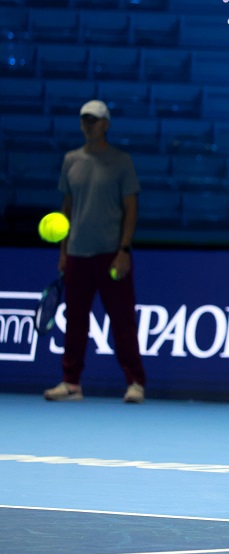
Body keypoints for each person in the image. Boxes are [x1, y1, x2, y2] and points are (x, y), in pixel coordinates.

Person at [43, 99, 146, 404]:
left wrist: (124, 249)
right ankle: (71, 383)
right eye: (85, 120)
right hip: (77, 254)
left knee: (122, 321)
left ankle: (135, 382)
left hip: (111, 255)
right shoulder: (70, 160)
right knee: (75, 321)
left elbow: (131, 209)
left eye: (95, 120)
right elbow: (67, 209)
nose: (90, 125)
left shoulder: (122, 162)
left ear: (106, 125)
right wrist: (63, 250)